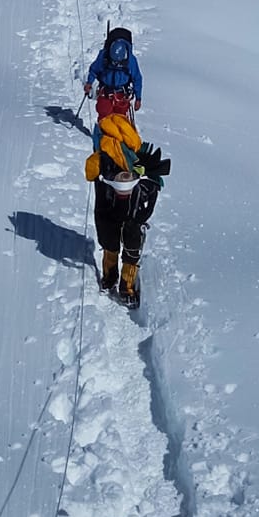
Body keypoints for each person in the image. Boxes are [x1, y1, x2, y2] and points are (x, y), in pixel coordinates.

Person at [82, 26, 165, 308]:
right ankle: (127, 284)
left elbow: (93, 69)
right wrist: (137, 96)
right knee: (130, 231)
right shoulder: (129, 60)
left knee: (107, 229)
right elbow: (137, 78)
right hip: (122, 99)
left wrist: (91, 83)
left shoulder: (105, 56)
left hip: (107, 98)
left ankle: (108, 275)